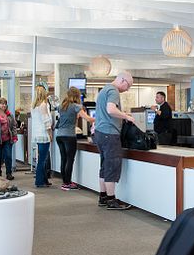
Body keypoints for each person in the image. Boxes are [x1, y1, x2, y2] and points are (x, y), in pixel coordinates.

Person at [93, 72, 135, 210]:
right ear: (122, 80)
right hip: (109, 133)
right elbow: (111, 109)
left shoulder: (103, 90)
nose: (127, 89)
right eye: (128, 85)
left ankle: (103, 196)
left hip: (100, 133)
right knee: (112, 165)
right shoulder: (113, 91)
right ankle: (111, 200)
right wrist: (126, 116)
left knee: (104, 166)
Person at [56, 87, 95, 191]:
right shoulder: (76, 106)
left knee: (64, 159)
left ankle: (65, 182)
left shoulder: (61, 106)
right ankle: (67, 183)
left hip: (59, 135)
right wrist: (101, 118)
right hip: (69, 136)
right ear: (77, 95)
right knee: (69, 159)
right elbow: (88, 119)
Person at [31, 85, 53, 188]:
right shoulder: (44, 105)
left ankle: (44, 180)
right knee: (43, 159)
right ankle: (39, 181)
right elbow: (46, 121)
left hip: (37, 135)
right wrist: (50, 134)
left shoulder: (34, 106)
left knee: (42, 158)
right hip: (44, 135)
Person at [0, 97, 17, 180]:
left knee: (8, 156)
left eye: (5, 104)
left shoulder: (9, 115)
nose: (4, 105)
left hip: (7, 139)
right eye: (2, 104)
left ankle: (9, 173)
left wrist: (14, 136)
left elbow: (13, 126)